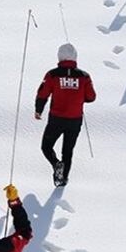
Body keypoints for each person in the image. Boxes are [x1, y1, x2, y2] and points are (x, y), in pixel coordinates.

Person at [35, 43, 96, 187]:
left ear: (59, 56)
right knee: (67, 151)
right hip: (75, 120)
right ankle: (62, 181)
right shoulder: (84, 76)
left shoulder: (52, 74)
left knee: (46, 146)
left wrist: (38, 109)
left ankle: (56, 165)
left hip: (56, 119)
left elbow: (43, 93)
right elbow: (91, 97)